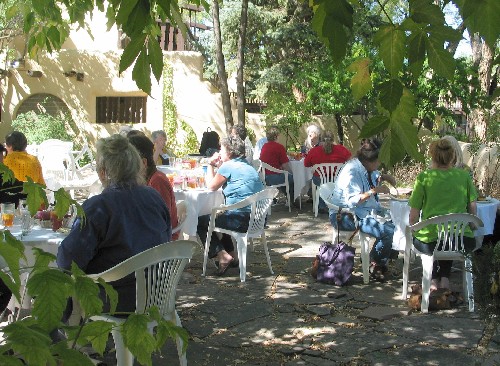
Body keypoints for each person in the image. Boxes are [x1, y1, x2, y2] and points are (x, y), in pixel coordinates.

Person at [57, 134, 172, 314]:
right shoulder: (153, 197)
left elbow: (67, 261)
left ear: (103, 172)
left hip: (115, 299)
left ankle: (53, 330)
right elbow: (166, 239)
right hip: (157, 292)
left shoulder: (99, 206)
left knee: (55, 277)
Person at [408, 137, 478, 290]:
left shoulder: (424, 178)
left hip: (430, 243)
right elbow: (473, 207)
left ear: (433, 157)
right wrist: (472, 225)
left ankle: (432, 279)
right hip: (461, 241)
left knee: (432, 237)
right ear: (452, 156)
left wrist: (412, 227)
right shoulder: (464, 176)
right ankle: (445, 278)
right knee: (451, 235)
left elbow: (413, 217)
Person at [197, 136, 263, 275]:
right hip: (258, 219)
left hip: (242, 220)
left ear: (229, 151)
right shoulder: (247, 165)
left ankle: (222, 256)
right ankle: (232, 255)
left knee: (201, 221)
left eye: (222, 149)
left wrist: (210, 164)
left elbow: (211, 186)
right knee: (218, 216)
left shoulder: (228, 166)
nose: (220, 152)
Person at [332, 137, 396, 281]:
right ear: (369, 160)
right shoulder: (353, 170)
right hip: (345, 216)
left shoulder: (364, 166)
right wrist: (374, 191)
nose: (379, 164)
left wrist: (384, 177)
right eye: (378, 161)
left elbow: (373, 175)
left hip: (363, 212)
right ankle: (375, 262)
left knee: (398, 224)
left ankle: (380, 261)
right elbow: (352, 200)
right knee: (388, 231)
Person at [128, 134, 180, 240]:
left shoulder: (157, 181)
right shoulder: (146, 179)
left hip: (162, 242)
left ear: (143, 162)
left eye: (129, 161)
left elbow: (161, 222)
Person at [304, 131, 352, 213]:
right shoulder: (342, 149)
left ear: (321, 139)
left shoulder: (314, 151)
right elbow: (351, 162)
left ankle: (322, 206)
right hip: (337, 180)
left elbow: (306, 164)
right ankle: (337, 204)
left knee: (315, 182)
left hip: (320, 180)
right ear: (333, 139)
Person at [259, 126, 295, 205]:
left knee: (285, 177)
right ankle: (292, 200)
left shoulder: (264, 146)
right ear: (276, 136)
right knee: (292, 178)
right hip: (274, 177)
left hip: (264, 177)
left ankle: (288, 198)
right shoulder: (279, 147)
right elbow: (285, 165)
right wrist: (292, 173)